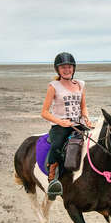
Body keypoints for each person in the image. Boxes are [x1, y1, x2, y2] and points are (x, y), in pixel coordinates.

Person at [41, 52, 93, 199]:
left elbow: (83, 106)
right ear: (58, 70)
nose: (66, 69)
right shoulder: (54, 86)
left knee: (95, 143)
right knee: (57, 145)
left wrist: (86, 118)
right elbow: (44, 112)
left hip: (78, 124)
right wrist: (60, 122)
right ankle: (52, 179)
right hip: (61, 125)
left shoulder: (80, 84)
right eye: (63, 67)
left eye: (69, 67)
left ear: (73, 68)